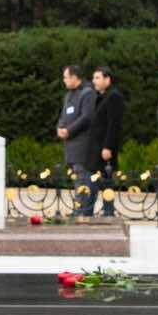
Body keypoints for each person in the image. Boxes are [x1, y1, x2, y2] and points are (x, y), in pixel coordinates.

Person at [56, 65, 96, 218]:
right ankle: (79, 209)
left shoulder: (88, 93)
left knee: (83, 180)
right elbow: (63, 116)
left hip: (82, 145)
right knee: (77, 179)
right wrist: (59, 128)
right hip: (71, 146)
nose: (64, 80)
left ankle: (82, 212)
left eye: (66, 77)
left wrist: (69, 130)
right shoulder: (68, 95)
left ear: (74, 77)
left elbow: (86, 117)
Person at [88, 66, 124, 219]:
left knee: (106, 179)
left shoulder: (114, 96)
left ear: (107, 79)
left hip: (105, 147)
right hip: (96, 146)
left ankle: (108, 211)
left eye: (97, 78)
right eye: (93, 78)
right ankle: (96, 209)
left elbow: (113, 124)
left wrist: (108, 146)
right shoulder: (100, 96)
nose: (94, 81)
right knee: (98, 179)